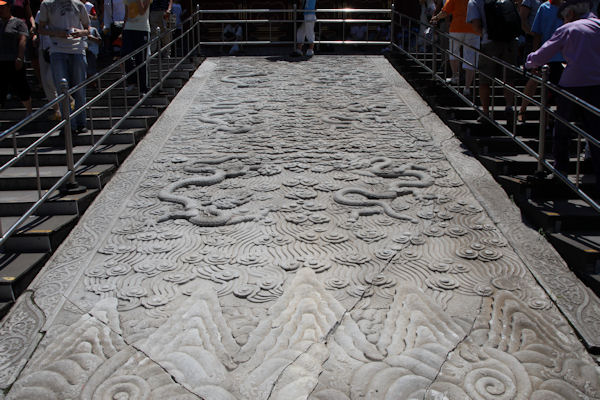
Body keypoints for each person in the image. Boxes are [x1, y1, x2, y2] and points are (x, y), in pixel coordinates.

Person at [525, 0, 600, 191]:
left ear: (571, 14)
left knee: (563, 128)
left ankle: (561, 170)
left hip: (573, 84)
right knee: (595, 131)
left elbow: (544, 53)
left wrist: (530, 62)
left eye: (564, 17)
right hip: (598, 85)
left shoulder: (568, 29)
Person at [38, 0, 90, 133]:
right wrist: (56, 33)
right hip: (57, 50)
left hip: (77, 49)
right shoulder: (46, 4)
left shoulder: (79, 5)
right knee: (62, 91)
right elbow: (40, 28)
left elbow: (88, 29)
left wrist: (80, 32)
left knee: (79, 89)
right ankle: (69, 125)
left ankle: (81, 122)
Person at [467, 0, 522, 125]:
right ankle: (509, 106)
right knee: (509, 78)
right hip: (510, 42)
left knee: (484, 79)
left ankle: (486, 112)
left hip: (489, 43)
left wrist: (486, 35)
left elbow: (476, 26)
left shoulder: (474, 2)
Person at [518, 0, 564, 122]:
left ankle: (550, 120)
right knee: (534, 82)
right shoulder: (544, 8)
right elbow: (537, 33)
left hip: (562, 56)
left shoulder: (567, 8)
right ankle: (523, 109)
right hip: (546, 53)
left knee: (557, 90)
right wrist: (535, 55)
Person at [431, 0, 481, 97]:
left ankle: (455, 76)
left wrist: (436, 17)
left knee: (453, 51)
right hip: (474, 28)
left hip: (457, 27)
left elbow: (445, 12)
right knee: (471, 57)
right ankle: (467, 87)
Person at [0, 0, 33, 115]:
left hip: (14, 60)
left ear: (9, 7)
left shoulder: (18, 23)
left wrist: (20, 57)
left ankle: (29, 112)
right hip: (1, 61)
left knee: (21, 87)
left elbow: (23, 40)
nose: (1, 10)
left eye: (3, 7)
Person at [35, 7, 60, 119]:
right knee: (45, 81)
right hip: (43, 49)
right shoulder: (40, 13)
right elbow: (38, 30)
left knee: (51, 78)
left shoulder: (58, 10)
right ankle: (57, 109)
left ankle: (68, 100)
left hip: (56, 47)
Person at [121, 0, 150, 94]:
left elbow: (142, 11)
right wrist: (123, 29)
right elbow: (126, 13)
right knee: (126, 55)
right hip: (128, 29)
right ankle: (132, 80)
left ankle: (143, 88)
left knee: (141, 59)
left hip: (142, 29)